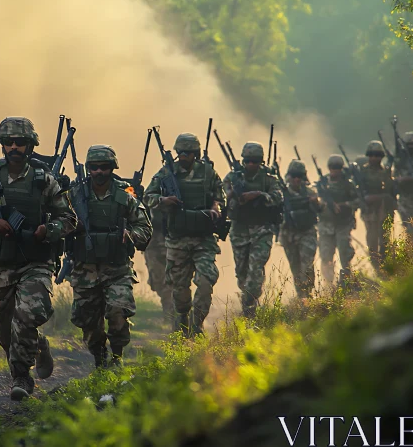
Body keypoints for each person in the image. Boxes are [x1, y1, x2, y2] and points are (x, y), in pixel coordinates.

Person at [0, 117, 77, 401]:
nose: (14, 147)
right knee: (3, 329)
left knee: (28, 315)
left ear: (30, 146)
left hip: (35, 261)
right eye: (9, 142)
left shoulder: (44, 180)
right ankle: (38, 345)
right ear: (1, 145)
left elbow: (69, 218)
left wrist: (48, 230)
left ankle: (21, 376)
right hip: (0, 262)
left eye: (20, 142)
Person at [67, 145, 152, 367]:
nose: (99, 172)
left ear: (112, 168)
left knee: (118, 312)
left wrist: (131, 235)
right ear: (88, 169)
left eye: (104, 167)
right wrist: (70, 226)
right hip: (85, 269)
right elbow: (57, 220)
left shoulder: (125, 195)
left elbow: (145, 227)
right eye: (94, 167)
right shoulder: (75, 195)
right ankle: (99, 358)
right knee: (88, 321)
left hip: (117, 269)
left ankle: (117, 357)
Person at [144, 133, 226, 336]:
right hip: (177, 240)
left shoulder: (208, 172)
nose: (183, 156)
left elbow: (220, 196)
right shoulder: (166, 172)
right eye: (180, 152)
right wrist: (163, 200)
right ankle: (181, 321)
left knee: (205, 282)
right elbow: (148, 197)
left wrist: (216, 206)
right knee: (179, 290)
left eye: (188, 153)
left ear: (195, 153)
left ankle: (197, 326)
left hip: (204, 239)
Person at [222, 142, 282, 319]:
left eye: (254, 161)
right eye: (247, 161)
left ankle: (250, 308)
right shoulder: (233, 177)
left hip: (262, 230)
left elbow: (278, 197)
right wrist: (233, 194)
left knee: (255, 269)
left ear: (260, 161)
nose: (250, 164)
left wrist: (259, 195)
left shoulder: (269, 178)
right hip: (239, 231)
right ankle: (248, 303)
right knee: (242, 273)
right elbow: (223, 194)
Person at [278, 160, 322, 299]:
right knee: (295, 267)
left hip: (307, 233)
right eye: (294, 176)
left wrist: (315, 202)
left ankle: (307, 294)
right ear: (289, 176)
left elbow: (320, 209)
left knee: (307, 265)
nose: (297, 179)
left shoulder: (310, 192)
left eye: (299, 176)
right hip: (288, 235)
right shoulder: (282, 194)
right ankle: (301, 295)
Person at [317, 154, 359, 286]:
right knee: (326, 256)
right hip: (326, 225)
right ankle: (328, 284)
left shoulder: (348, 184)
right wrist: (324, 204)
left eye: (337, 167)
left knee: (345, 254)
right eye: (332, 167)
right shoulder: (322, 183)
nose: (335, 170)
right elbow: (316, 200)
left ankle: (345, 282)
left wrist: (345, 205)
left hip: (343, 224)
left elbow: (358, 201)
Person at [359, 141, 396, 272]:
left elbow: (392, 191)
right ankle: (377, 270)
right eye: (371, 155)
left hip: (385, 210)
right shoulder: (362, 172)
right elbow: (358, 193)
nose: (374, 158)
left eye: (377, 155)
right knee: (372, 242)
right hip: (370, 212)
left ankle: (386, 268)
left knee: (385, 241)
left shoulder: (387, 172)